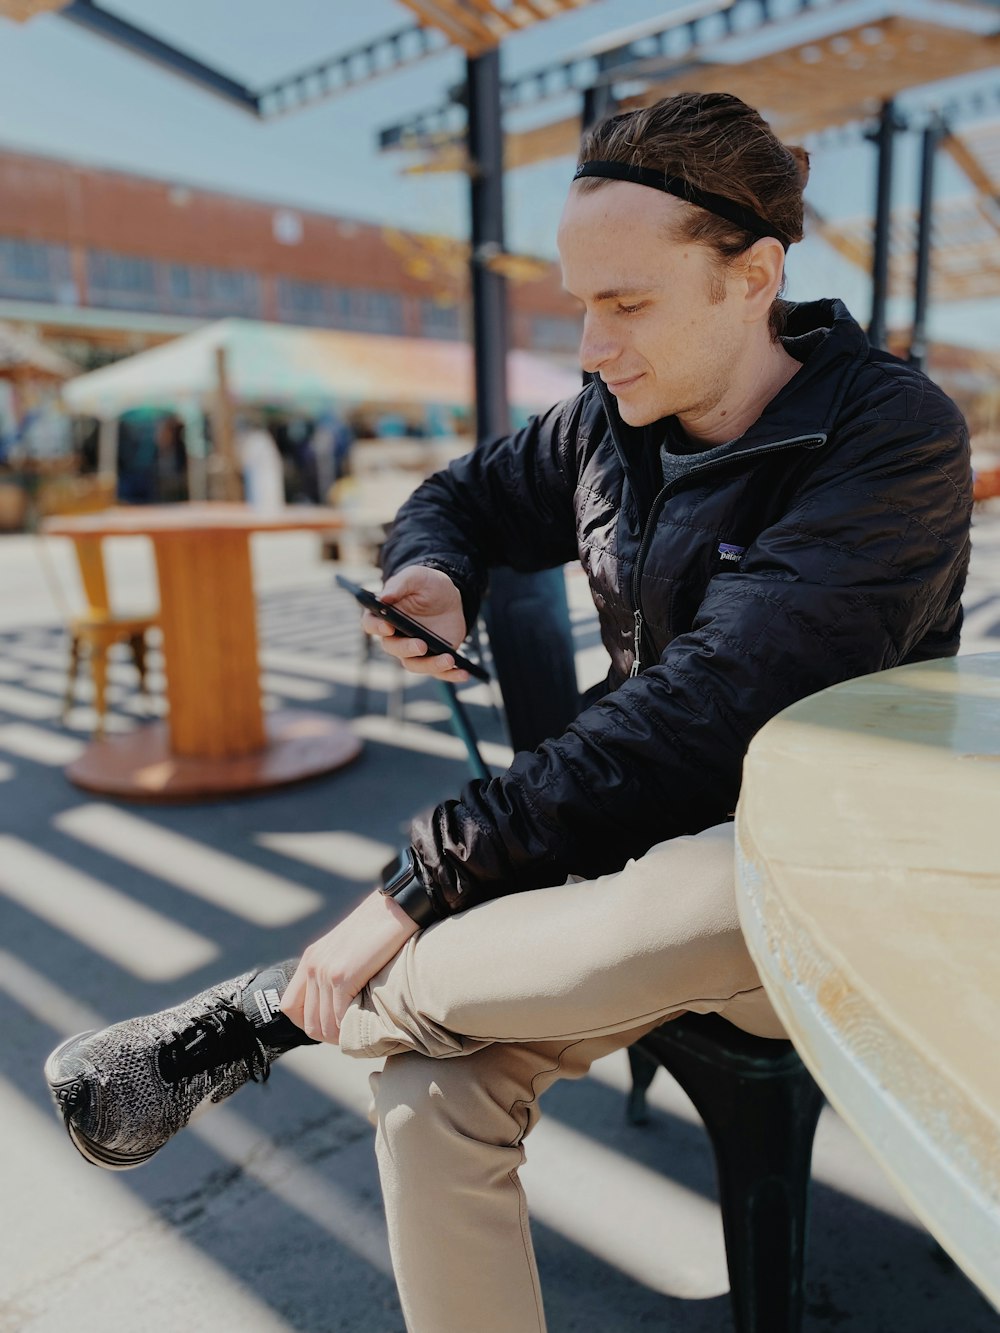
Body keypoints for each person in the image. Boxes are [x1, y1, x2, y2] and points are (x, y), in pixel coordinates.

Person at [44, 92, 971, 1332]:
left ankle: (266, 1010)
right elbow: (463, 493)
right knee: (431, 1089)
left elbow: (707, 712)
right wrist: (435, 568)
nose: (591, 343)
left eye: (627, 303)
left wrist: (406, 892)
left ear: (753, 276)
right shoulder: (608, 423)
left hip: (813, 870)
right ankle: (320, 1009)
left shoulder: (891, 437)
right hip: (608, 854)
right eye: (578, 303)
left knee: (726, 878)